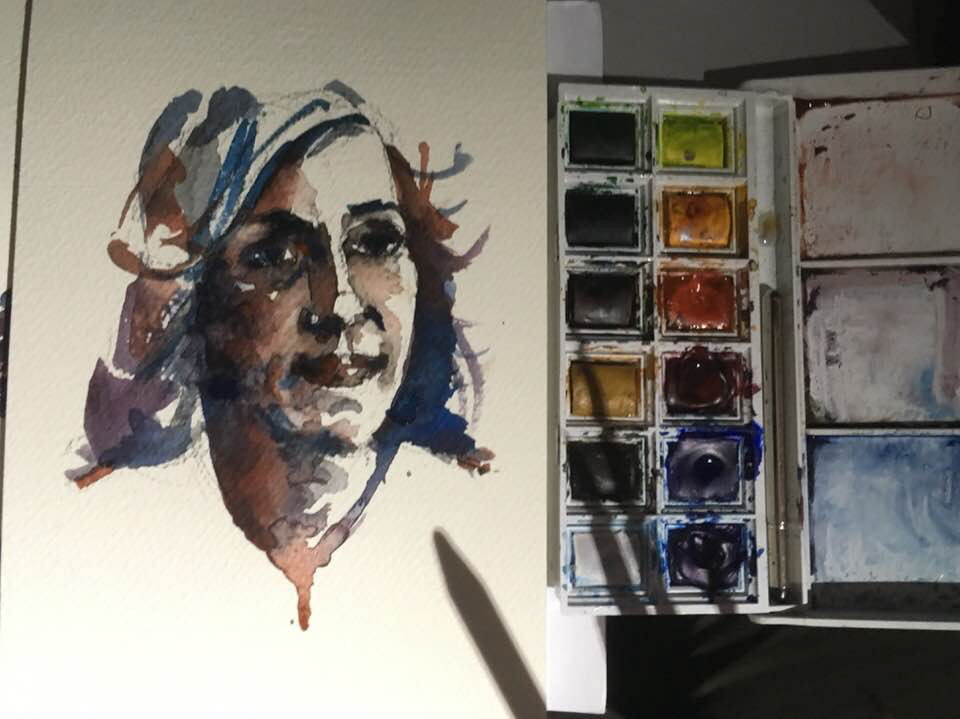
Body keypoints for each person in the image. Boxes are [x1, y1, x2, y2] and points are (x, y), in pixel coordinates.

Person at [71, 83, 491, 629]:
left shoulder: (474, 517)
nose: (340, 303)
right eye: (275, 256)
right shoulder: (105, 539)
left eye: (375, 243)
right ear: (199, 302)